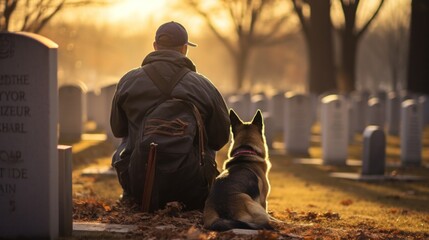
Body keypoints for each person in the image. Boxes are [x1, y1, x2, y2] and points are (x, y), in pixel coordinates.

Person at [110, 21, 230, 210]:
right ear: (184, 49)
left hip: (138, 183)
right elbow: (220, 138)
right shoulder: (204, 86)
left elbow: (117, 129)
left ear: (155, 47)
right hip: (191, 187)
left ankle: (130, 194)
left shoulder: (128, 81)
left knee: (128, 135)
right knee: (206, 136)